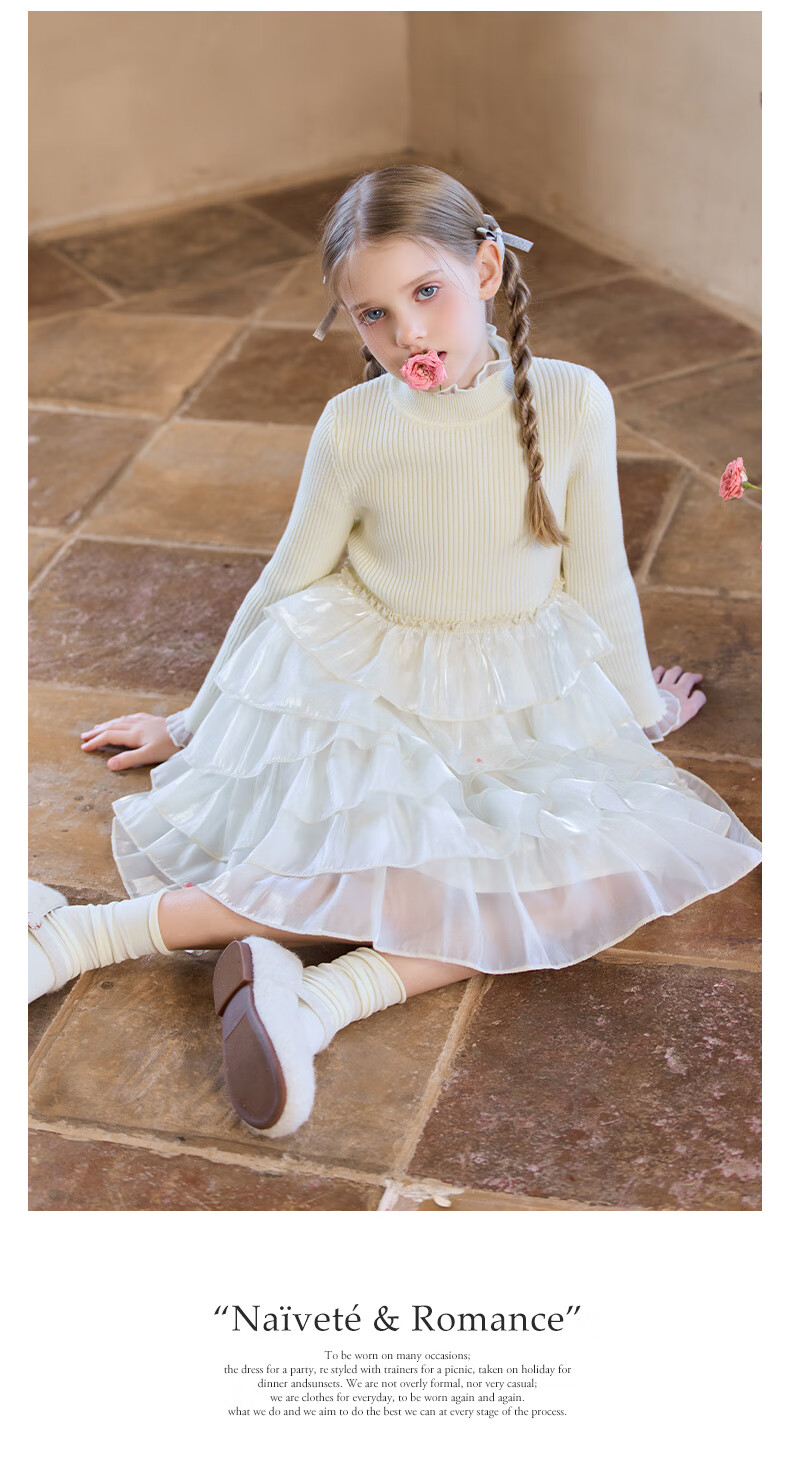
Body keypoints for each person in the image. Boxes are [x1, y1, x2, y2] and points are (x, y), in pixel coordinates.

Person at [28, 165, 761, 1140]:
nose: (409, 332)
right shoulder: (356, 426)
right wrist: (190, 722)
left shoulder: (573, 401)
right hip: (370, 690)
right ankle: (79, 935)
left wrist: (639, 710)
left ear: (486, 270)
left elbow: (599, 578)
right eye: (374, 313)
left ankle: (320, 999)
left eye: (427, 292)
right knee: (375, 859)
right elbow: (285, 580)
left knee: (602, 875)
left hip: (512, 695)